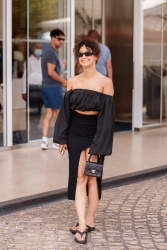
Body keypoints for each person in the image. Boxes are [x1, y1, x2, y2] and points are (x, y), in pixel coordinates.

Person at [53, 39, 115, 244]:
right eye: (80, 54)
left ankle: (89, 219)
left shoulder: (106, 82)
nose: (84, 57)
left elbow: (107, 119)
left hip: (96, 133)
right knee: (79, 177)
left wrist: (99, 145)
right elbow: (66, 112)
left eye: (88, 53)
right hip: (75, 133)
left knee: (92, 178)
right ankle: (81, 224)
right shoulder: (72, 81)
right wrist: (62, 137)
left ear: (97, 56)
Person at [41, 29, 67, 150]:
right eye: (59, 38)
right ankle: (57, 141)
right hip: (53, 87)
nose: (61, 41)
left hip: (46, 87)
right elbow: (51, 72)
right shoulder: (51, 53)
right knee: (59, 114)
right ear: (52, 38)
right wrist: (63, 82)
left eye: (63, 39)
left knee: (49, 113)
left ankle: (44, 140)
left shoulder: (47, 52)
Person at [22, 42, 43, 115]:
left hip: (42, 87)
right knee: (33, 110)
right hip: (32, 88)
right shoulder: (29, 61)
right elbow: (25, 76)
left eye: (41, 48)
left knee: (40, 110)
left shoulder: (42, 60)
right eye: (38, 47)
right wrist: (24, 91)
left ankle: (36, 126)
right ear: (33, 49)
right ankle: (32, 126)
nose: (40, 49)